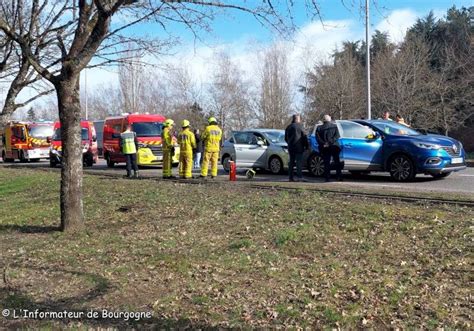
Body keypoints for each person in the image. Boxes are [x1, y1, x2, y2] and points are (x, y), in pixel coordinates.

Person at [316, 114, 342, 182]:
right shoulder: (334, 126)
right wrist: (330, 142)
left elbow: (318, 138)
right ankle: (338, 176)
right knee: (337, 162)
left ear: (323, 120)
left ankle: (327, 177)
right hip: (334, 146)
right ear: (329, 119)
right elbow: (337, 136)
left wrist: (324, 143)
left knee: (326, 162)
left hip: (324, 147)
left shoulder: (319, 128)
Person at [284, 114, 308, 182]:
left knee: (291, 162)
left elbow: (285, 138)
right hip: (299, 147)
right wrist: (306, 146)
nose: (300, 120)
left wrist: (289, 143)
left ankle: (290, 177)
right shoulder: (300, 127)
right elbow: (304, 137)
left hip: (291, 147)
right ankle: (299, 177)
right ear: (297, 119)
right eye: (299, 119)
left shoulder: (288, 127)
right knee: (298, 163)